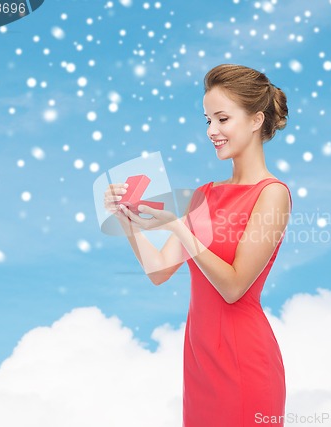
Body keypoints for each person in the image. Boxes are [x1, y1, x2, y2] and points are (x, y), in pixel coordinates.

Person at [104, 64, 292, 426]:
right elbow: (160, 271)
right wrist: (127, 221)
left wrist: (178, 227)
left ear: (256, 120)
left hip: (244, 362)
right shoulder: (205, 194)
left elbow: (235, 287)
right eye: (207, 120)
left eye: (222, 119)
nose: (212, 131)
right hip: (200, 361)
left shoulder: (272, 195)